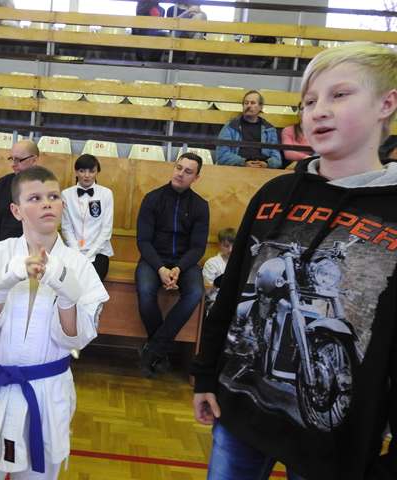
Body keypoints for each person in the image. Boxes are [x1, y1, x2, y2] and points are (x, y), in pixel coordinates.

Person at [191, 42, 397, 480]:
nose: (319, 111)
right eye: (308, 101)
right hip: (240, 415)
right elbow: (231, 292)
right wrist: (206, 376)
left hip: (336, 446)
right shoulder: (274, 194)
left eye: (339, 95)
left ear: (386, 104)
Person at [0, 166, 109, 479]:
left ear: (62, 204)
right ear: (16, 210)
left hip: (46, 392)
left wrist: (66, 296)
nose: (47, 203)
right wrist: (3, 284)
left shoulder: (79, 266)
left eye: (53, 197)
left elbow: (76, 339)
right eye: (35, 198)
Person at [136, 152, 208, 377]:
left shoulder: (200, 206)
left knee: (195, 293)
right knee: (145, 290)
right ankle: (161, 351)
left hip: (184, 263)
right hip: (153, 259)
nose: (181, 174)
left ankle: (153, 349)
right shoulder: (152, 198)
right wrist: (161, 268)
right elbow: (143, 241)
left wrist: (178, 269)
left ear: (196, 177)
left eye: (188, 171)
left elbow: (198, 247)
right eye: (178, 168)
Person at [61, 154, 114, 281]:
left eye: (91, 171)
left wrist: (89, 255)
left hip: (99, 252)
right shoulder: (66, 194)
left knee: (90, 280)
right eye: (82, 171)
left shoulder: (106, 194)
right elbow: (66, 228)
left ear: (97, 172)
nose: (87, 175)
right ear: (76, 172)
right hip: (73, 251)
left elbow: (106, 230)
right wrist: (77, 253)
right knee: (67, 280)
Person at [0, 139, 39, 245]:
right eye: (12, 159)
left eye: (18, 160)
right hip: (2, 248)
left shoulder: (44, 186)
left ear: (34, 160)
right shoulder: (2, 183)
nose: (13, 165)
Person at [216, 90, 282, 168]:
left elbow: (277, 159)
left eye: (253, 103)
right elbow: (221, 155)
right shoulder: (231, 126)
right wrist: (243, 162)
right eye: (246, 103)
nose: (248, 106)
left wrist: (267, 164)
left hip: (262, 169)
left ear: (260, 107)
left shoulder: (269, 129)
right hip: (238, 168)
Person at [202, 227, 235, 307]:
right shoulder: (212, 263)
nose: (230, 250)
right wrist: (216, 284)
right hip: (215, 302)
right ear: (219, 245)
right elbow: (205, 292)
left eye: (234, 246)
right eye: (226, 246)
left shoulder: (239, 263)